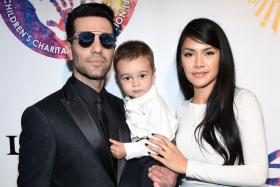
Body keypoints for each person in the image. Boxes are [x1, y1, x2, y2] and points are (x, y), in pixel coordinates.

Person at [17, 3, 131, 187]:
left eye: (106, 39)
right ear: (69, 49)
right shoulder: (43, 116)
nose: (97, 48)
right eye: (86, 39)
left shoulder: (126, 108)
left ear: (113, 50)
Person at [147, 18, 268, 186]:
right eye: (189, 54)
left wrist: (187, 167)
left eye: (208, 53)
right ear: (181, 62)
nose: (198, 63)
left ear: (222, 57)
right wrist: (174, 179)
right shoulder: (181, 110)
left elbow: (257, 174)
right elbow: (187, 173)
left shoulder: (242, 101)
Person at [109, 40, 178, 187]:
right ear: (118, 80)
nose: (135, 83)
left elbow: (159, 143)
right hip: (139, 155)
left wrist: (126, 149)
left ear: (153, 75)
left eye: (142, 76)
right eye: (127, 78)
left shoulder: (154, 104)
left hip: (158, 157)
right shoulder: (130, 102)